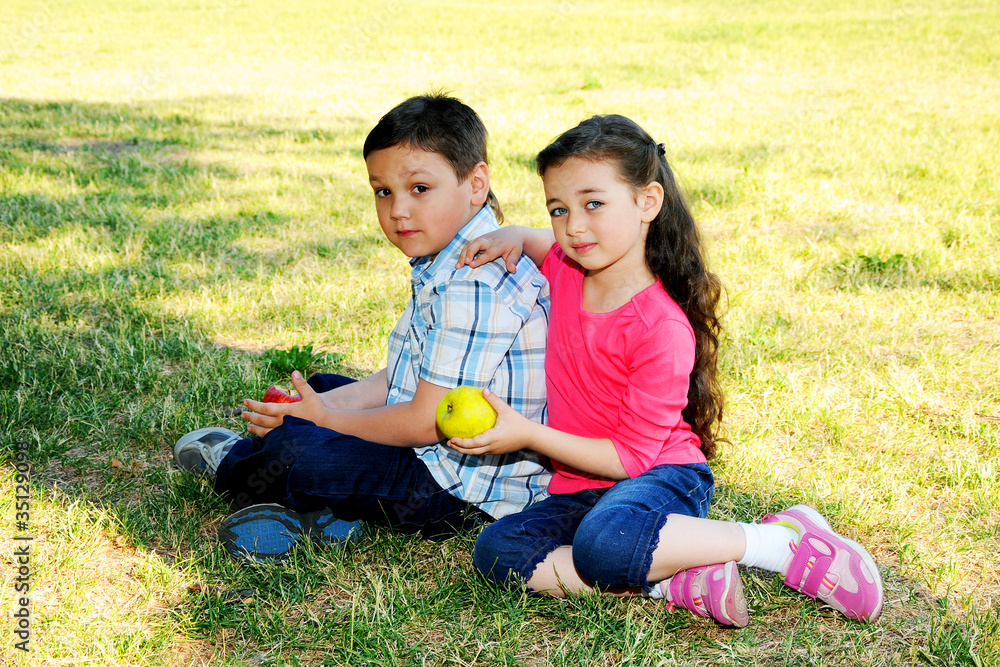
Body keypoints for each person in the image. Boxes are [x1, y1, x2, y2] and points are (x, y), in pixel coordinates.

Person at [452, 114, 884, 626]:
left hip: (662, 477)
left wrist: (527, 434)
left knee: (603, 542)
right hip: (581, 486)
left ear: (647, 203)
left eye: (593, 203)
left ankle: (779, 543)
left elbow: (631, 460)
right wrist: (514, 234)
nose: (574, 226)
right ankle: (674, 580)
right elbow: (543, 244)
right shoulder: (568, 267)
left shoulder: (659, 327)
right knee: (498, 550)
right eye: (558, 209)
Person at [172, 94, 551, 560]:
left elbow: (425, 421)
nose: (397, 211)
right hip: (434, 449)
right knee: (320, 388)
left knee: (298, 450)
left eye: (419, 189)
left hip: (455, 491)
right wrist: (318, 406)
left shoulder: (475, 281)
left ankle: (238, 468)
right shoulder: (448, 259)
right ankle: (324, 511)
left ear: (475, 184)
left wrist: (323, 420)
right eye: (383, 191)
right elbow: (402, 379)